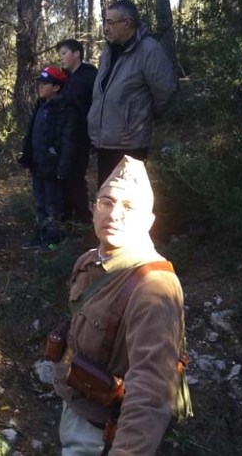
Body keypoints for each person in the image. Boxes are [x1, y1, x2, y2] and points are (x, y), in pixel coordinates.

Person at [52, 156, 190, 455]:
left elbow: (151, 391)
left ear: (149, 221)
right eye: (106, 202)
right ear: (94, 209)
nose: (113, 214)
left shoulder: (155, 286)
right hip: (75, 406)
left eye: (129, 207)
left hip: (108, 434)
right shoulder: (89, 262)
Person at [88, 0, 178, 188]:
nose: (105, 28)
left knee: (125, 203)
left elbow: (165, 92)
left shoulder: (149, 50)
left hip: (129, 145)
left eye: (110, 23)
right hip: (105, 142)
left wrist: (138, 117)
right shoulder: (109, 50)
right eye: (105, 22)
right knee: (106, 199)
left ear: (126, 23)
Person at [18, 66, 79, 250]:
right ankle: (41, 235)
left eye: (45, 83)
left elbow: (68, 140)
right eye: (40, 83)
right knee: (40, 203)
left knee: (53, 206)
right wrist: (28, 159)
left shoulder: (66, 109)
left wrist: (62, 167)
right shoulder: (40, 106)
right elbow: (32, 136)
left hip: (53, 168)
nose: (40, 86)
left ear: (56, 87)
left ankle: (52, 243)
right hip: (38, 165)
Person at [57, 38, 97, 224]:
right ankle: (65, 224)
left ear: (77, 54)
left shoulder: (90, 76)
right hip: (63, 138)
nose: (61, 59)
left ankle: (84, 221)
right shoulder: (64, 80)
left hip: (81, 137)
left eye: (64, 54)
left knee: (76, 178)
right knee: (64, 179)